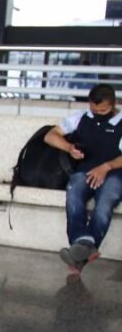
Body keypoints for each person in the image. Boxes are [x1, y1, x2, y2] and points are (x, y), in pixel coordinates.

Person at [44, 84, 122, 275]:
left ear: (113, 105)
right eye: (94, 110)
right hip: (85, 171)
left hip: (115, 172)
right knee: (73, 195)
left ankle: (79, 253)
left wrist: (106, 167)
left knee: (105, 201)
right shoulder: (81, 117)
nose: (98, 114)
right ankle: (86, 245)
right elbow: (50, 136)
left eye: (103, 110)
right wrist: (69, 148)